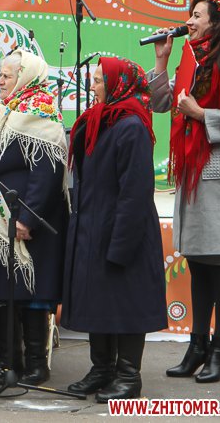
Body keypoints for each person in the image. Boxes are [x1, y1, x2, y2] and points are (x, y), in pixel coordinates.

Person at [148, 0, 220, 383]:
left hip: (219, 174)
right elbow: (160, 103)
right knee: (197, 260)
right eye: (190, 15)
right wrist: (161, 61)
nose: (189, 22)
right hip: (192, 171)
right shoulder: (189, 59)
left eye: (197, 15)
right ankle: (197, 345)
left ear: (217, 20)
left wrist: (200, 114)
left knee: (219, 261)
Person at [62, 56, 167, 402]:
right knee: (100, 300)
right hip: (96, 227)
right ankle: (102, 369)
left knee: (126, 303)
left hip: (124, 230)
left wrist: (121, 243)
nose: (91, 86)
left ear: (117, 84)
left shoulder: (131, 126)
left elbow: (135, 192)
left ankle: (128, 376)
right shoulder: (99, 121)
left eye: (98, 80)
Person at [0, 50, 69, 385]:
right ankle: (7, 361)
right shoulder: (3, 111)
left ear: (25, 77)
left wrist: (28, 219)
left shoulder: (40, 110)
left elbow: (47, 171)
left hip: (29, 219)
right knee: (3, 291)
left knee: (33, 292)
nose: (0, 81)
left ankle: (36, 364)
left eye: (7, 76)